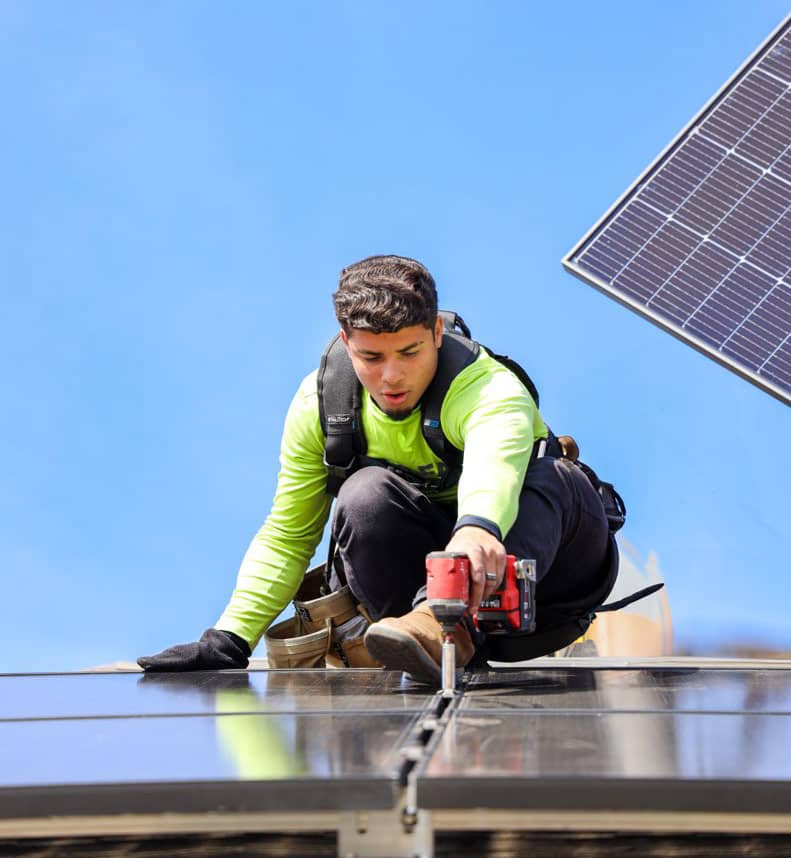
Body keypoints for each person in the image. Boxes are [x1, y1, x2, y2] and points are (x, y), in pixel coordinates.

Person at [138, 255, 613, 681]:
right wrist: (229, 639)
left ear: (436, 333)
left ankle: (439, 620)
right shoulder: (323, 408)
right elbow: (289, 532)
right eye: (371, 357)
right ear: (346, 343)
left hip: (548, 588)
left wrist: (477, 529)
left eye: (410, 353)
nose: (392, 376)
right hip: (419, 620)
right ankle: (438, 635)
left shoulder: (489, 390)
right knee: (362, 494)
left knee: (554, 478)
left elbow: (495, 469)